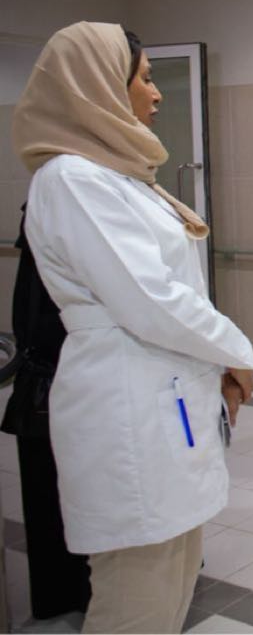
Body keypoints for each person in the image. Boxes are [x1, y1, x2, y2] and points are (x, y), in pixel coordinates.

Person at [12, 21, 253, 633]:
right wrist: (237, 351)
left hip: (160, 391)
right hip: (124, 402)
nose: (156, 92)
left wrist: (219, 358)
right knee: (136, 599)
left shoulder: (119, 176)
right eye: (144, 78)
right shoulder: (73, 179)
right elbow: (150, 299)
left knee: (173, 575)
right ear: (98, 84)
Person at [2, 215, 91, 621]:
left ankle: (64, 591)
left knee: (58, 493)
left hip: (56, 367)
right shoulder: (65, 205)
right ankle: (70, 593)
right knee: (62, 492)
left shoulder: (51, 213)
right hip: (60, 373)